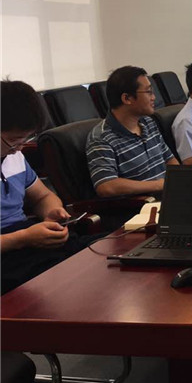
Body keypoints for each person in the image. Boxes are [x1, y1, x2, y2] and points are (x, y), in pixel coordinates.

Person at [1, 81, 85, 294]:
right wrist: (23, 238)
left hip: (25, 240)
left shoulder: (14, 156)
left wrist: (52, 212)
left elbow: (42, 196)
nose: (19, 148)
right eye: (14, 140)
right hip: (9, 254)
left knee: (95, 253)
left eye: (25, 139)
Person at [86, 66, 179, 197]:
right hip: (146, 204)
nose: (154, 97)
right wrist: (160, 185)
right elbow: (106, 186)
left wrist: (180, 181)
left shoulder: (148, 123)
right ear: (127, 98)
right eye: (148, 92)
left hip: (170, 195)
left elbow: (169, 159)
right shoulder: (101, 138)